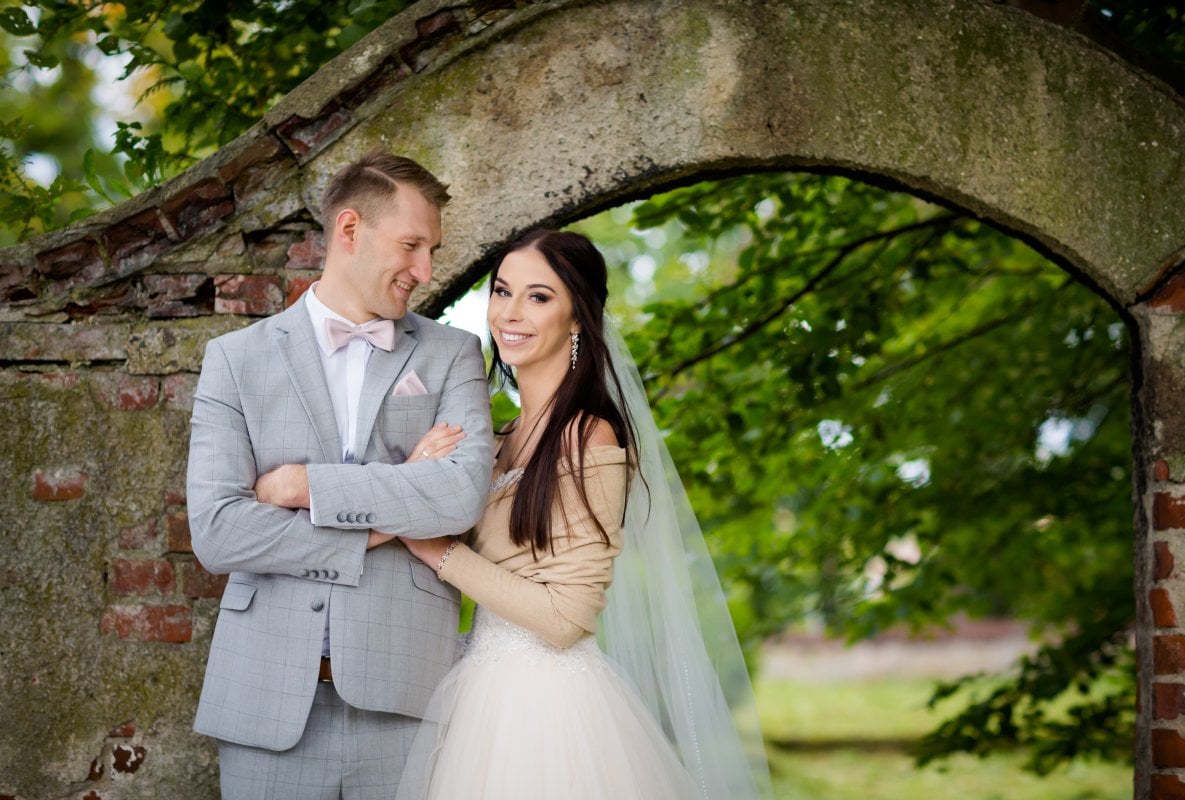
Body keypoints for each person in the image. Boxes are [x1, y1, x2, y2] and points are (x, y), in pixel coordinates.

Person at [396, 229, 773, 798]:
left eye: (538, 296)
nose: (510, 313)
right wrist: (417, 477)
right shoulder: (498, 437)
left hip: (547, 708)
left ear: (578, 318)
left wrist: (437, 553)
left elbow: (566, 617)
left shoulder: (589, 438)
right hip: (482, 690)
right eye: (502, 291)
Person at [185, 150, 493, 799]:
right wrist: (393, 504)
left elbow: (461, 496)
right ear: (350, 230)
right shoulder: (234, 361)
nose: (426, 270)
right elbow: (218, 534)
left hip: (405, 700)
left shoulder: (452, 354)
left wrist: (305, 488)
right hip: (264, 701)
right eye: (412, 245)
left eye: (431, 250)